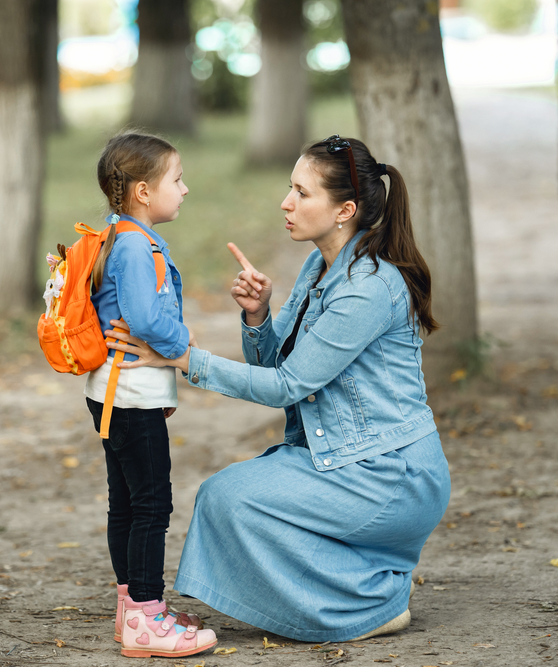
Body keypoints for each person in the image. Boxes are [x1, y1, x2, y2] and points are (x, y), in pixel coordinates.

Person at [105, 135, 452, 643]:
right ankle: (363, 583)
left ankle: (373, 603)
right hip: (340, 457)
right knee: (227, 499)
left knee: (232, 499)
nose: (285, 203)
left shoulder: (369, 287)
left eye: (301, 193)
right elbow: (280, 364)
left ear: (345, 210)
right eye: (289, 188)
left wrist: (184, 359)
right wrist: (258, 316)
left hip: (388, 474)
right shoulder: (321, 266)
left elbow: (286, 385)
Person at [85, 132, 217, 658]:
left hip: (112, 391)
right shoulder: (137, 246)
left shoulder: (117, 236)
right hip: (132, 393)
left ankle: (130, 610)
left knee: (127, 504)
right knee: (151, 506)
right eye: (177, 179)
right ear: (142, 191)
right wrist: (183, 346)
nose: (185, 189)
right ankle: (146, 617)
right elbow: (144, 319)